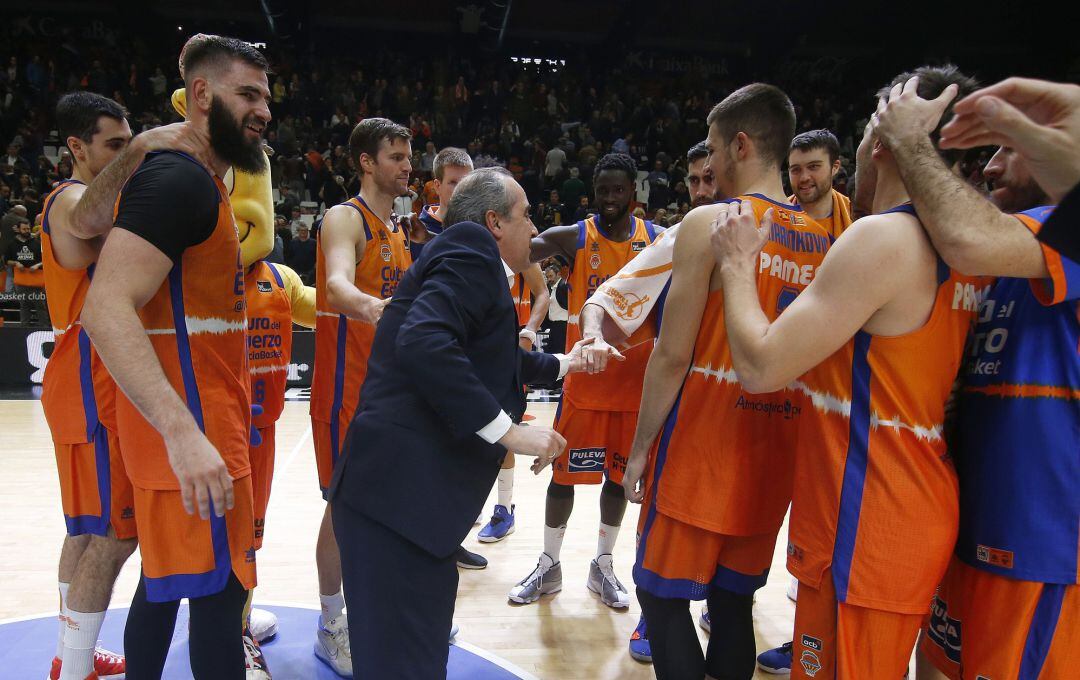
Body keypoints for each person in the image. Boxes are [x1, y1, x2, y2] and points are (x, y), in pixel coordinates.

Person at [710, 67, 981, 680]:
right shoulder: (971, 241)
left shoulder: (882, 240)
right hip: (905, 503)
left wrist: (736, 263)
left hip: (867, 518)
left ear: (881, 141)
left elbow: (758, 367)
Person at [329, 167, 614, 679]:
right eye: (526, 215)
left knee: (414, 658)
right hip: (394, 505)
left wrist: (571, 361)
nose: (535, 229)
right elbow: (425, 343)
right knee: (401, 665)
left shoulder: (472, 262)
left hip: (406, 508)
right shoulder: (469, 248)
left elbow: (495, 356)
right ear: (493, 223)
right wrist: (509, 432)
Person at [870, 76, 1080, 680]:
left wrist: (911, 141)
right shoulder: (1006, 257)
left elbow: (964, 234)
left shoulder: (1062, 237)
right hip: (965, 527)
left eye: (1006, 150)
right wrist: (878, 155)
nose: (987, 167)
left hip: (1038, 546)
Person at [619, 84, 829, 679]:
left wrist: (638, 451)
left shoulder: (712, 222)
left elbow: (670, 355)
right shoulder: (826, 243)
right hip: (773, 454)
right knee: (734, 600)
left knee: (661, 598)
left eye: (712, 149)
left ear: (740, 144)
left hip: (701, 447)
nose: (707, 164)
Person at [81, 33, 271, 678]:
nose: (263, 110)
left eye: (266, 97)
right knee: (222, 597)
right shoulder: (180, 181)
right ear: (199, 96)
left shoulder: (185, 176)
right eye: (247, 94)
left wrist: (133, 150)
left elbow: (86, 221)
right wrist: (184, 432)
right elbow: (105, 308)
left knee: (163, 585)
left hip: (184, 427)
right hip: (196, 431)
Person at [40, 91, 208, 680]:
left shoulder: (100, 198)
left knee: (87, 528)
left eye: (127, 140)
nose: (128, 153)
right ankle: (77, 662)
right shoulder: (67, 200)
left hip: (82, 379)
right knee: (116, 533)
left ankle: (70, 653)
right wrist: (141, 149)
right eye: (112, 145)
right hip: (91, 377)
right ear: (76, 148)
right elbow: (88, 219)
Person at [509, 153, 659, 612]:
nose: (610, 199)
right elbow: (517, 250)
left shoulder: (655, 240)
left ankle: (604, 564)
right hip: (584, 385)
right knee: (563, 478)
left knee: (616, 481)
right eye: (603, 191)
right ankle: (549, 564)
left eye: (618, 190)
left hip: (634, 388)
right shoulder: (577, 236)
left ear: (633, 192)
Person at [308, 116, 413, 676]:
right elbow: (338, 285)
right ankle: (331, 624)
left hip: (388, 395)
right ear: (367, 162)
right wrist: (376, 307)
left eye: (408, 155)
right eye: (396, 156)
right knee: (344, 513)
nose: (407, 166)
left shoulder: (397, 227)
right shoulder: (344, 218)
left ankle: (376, 612)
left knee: (384, 510)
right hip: (344, 395)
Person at [937, 78, 1080, 262]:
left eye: (1010, 148)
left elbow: (966, 239)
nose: (989, 169)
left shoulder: (1061, 225)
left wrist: (909, 137)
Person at [787, 129, 852, 239]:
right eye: (796, 169)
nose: (804, 178)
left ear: (835, 167)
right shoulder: (772, 218)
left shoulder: (855, 215)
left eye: (813, 167)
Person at [4, 217, 45, 324]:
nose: (27, 231)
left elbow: (46, 259)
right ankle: (24, 327)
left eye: (28, 229)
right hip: (20, 281)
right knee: (24, 305)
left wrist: (37, 265)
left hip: (37, 280)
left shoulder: (37, 243)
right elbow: (7, 261)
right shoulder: (12, 244)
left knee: (40, 305)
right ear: (18, 229)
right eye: (24, 229)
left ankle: (43, 327)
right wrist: (16, 263)